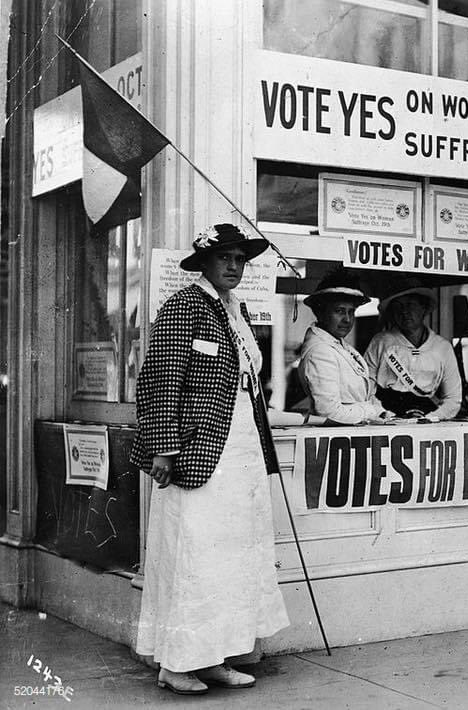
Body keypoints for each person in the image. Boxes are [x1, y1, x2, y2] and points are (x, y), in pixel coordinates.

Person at [131, 224, 289, 695]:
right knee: (194, 553)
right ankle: (177, 663)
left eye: (241, 259)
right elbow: (158, 378)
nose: (234, 266)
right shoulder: (184, 306)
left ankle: (214, 657)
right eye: (225, 258)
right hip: (199, 451)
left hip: (238, 449)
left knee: (230, 557)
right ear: (203, 263)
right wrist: (163, 446)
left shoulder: (233, 310)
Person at [298, 268, 388, 425]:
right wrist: (370, 411)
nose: (347, 319)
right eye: (339, 311)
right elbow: (329, 412)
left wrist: (382, 412)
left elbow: (363, 397)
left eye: (351, 312)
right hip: (335, 436)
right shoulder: (320, 351)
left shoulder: (339, 345)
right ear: (320, 312)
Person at [365, 279, 462, 420]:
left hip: (429, 417)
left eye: (410, 305)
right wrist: (384, 414)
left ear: (423, 308)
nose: (405, 312)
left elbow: (453, 399)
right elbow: (366, 389)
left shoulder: (442, 347)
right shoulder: (381, 342)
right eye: (398, 306)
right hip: (388, 416)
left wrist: (431, 418)